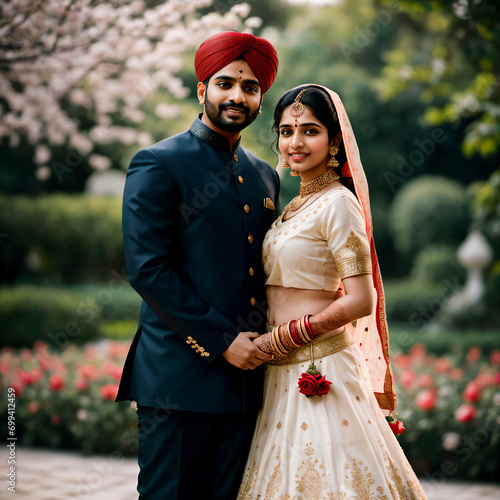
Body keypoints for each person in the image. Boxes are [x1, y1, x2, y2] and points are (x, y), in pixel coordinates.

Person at [237, 85, 428, 499]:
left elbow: (361, 300)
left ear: (335, 140)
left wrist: (283, 338)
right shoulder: (291, 207)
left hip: (320, 368)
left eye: (310, 130)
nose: (295, 143)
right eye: (286, 131)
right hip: (279, 371)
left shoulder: (339, 203)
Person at [115, 31, 279, 499]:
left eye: (250, 88)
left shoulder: (264, 173)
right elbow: (147, 269)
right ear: (203, 89)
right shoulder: (157, 162)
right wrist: (224, 341)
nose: (237, 96)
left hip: (246, 383)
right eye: (225, 83)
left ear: (260, 100)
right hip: (178, 380)